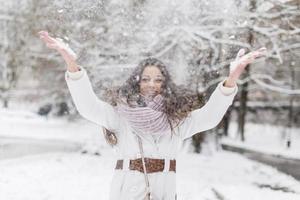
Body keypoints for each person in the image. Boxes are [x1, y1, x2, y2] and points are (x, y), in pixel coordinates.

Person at [38, 30, 266, 200]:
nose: (151, 84)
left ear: (165, 84)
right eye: (146, 79)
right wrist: (71, 64)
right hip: (126, 191)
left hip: (164, 192)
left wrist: (232, 78)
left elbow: (210, 116)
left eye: (158, 79)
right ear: (137, 82)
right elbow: (88, 106)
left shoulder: (176, 119)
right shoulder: (121, 114)